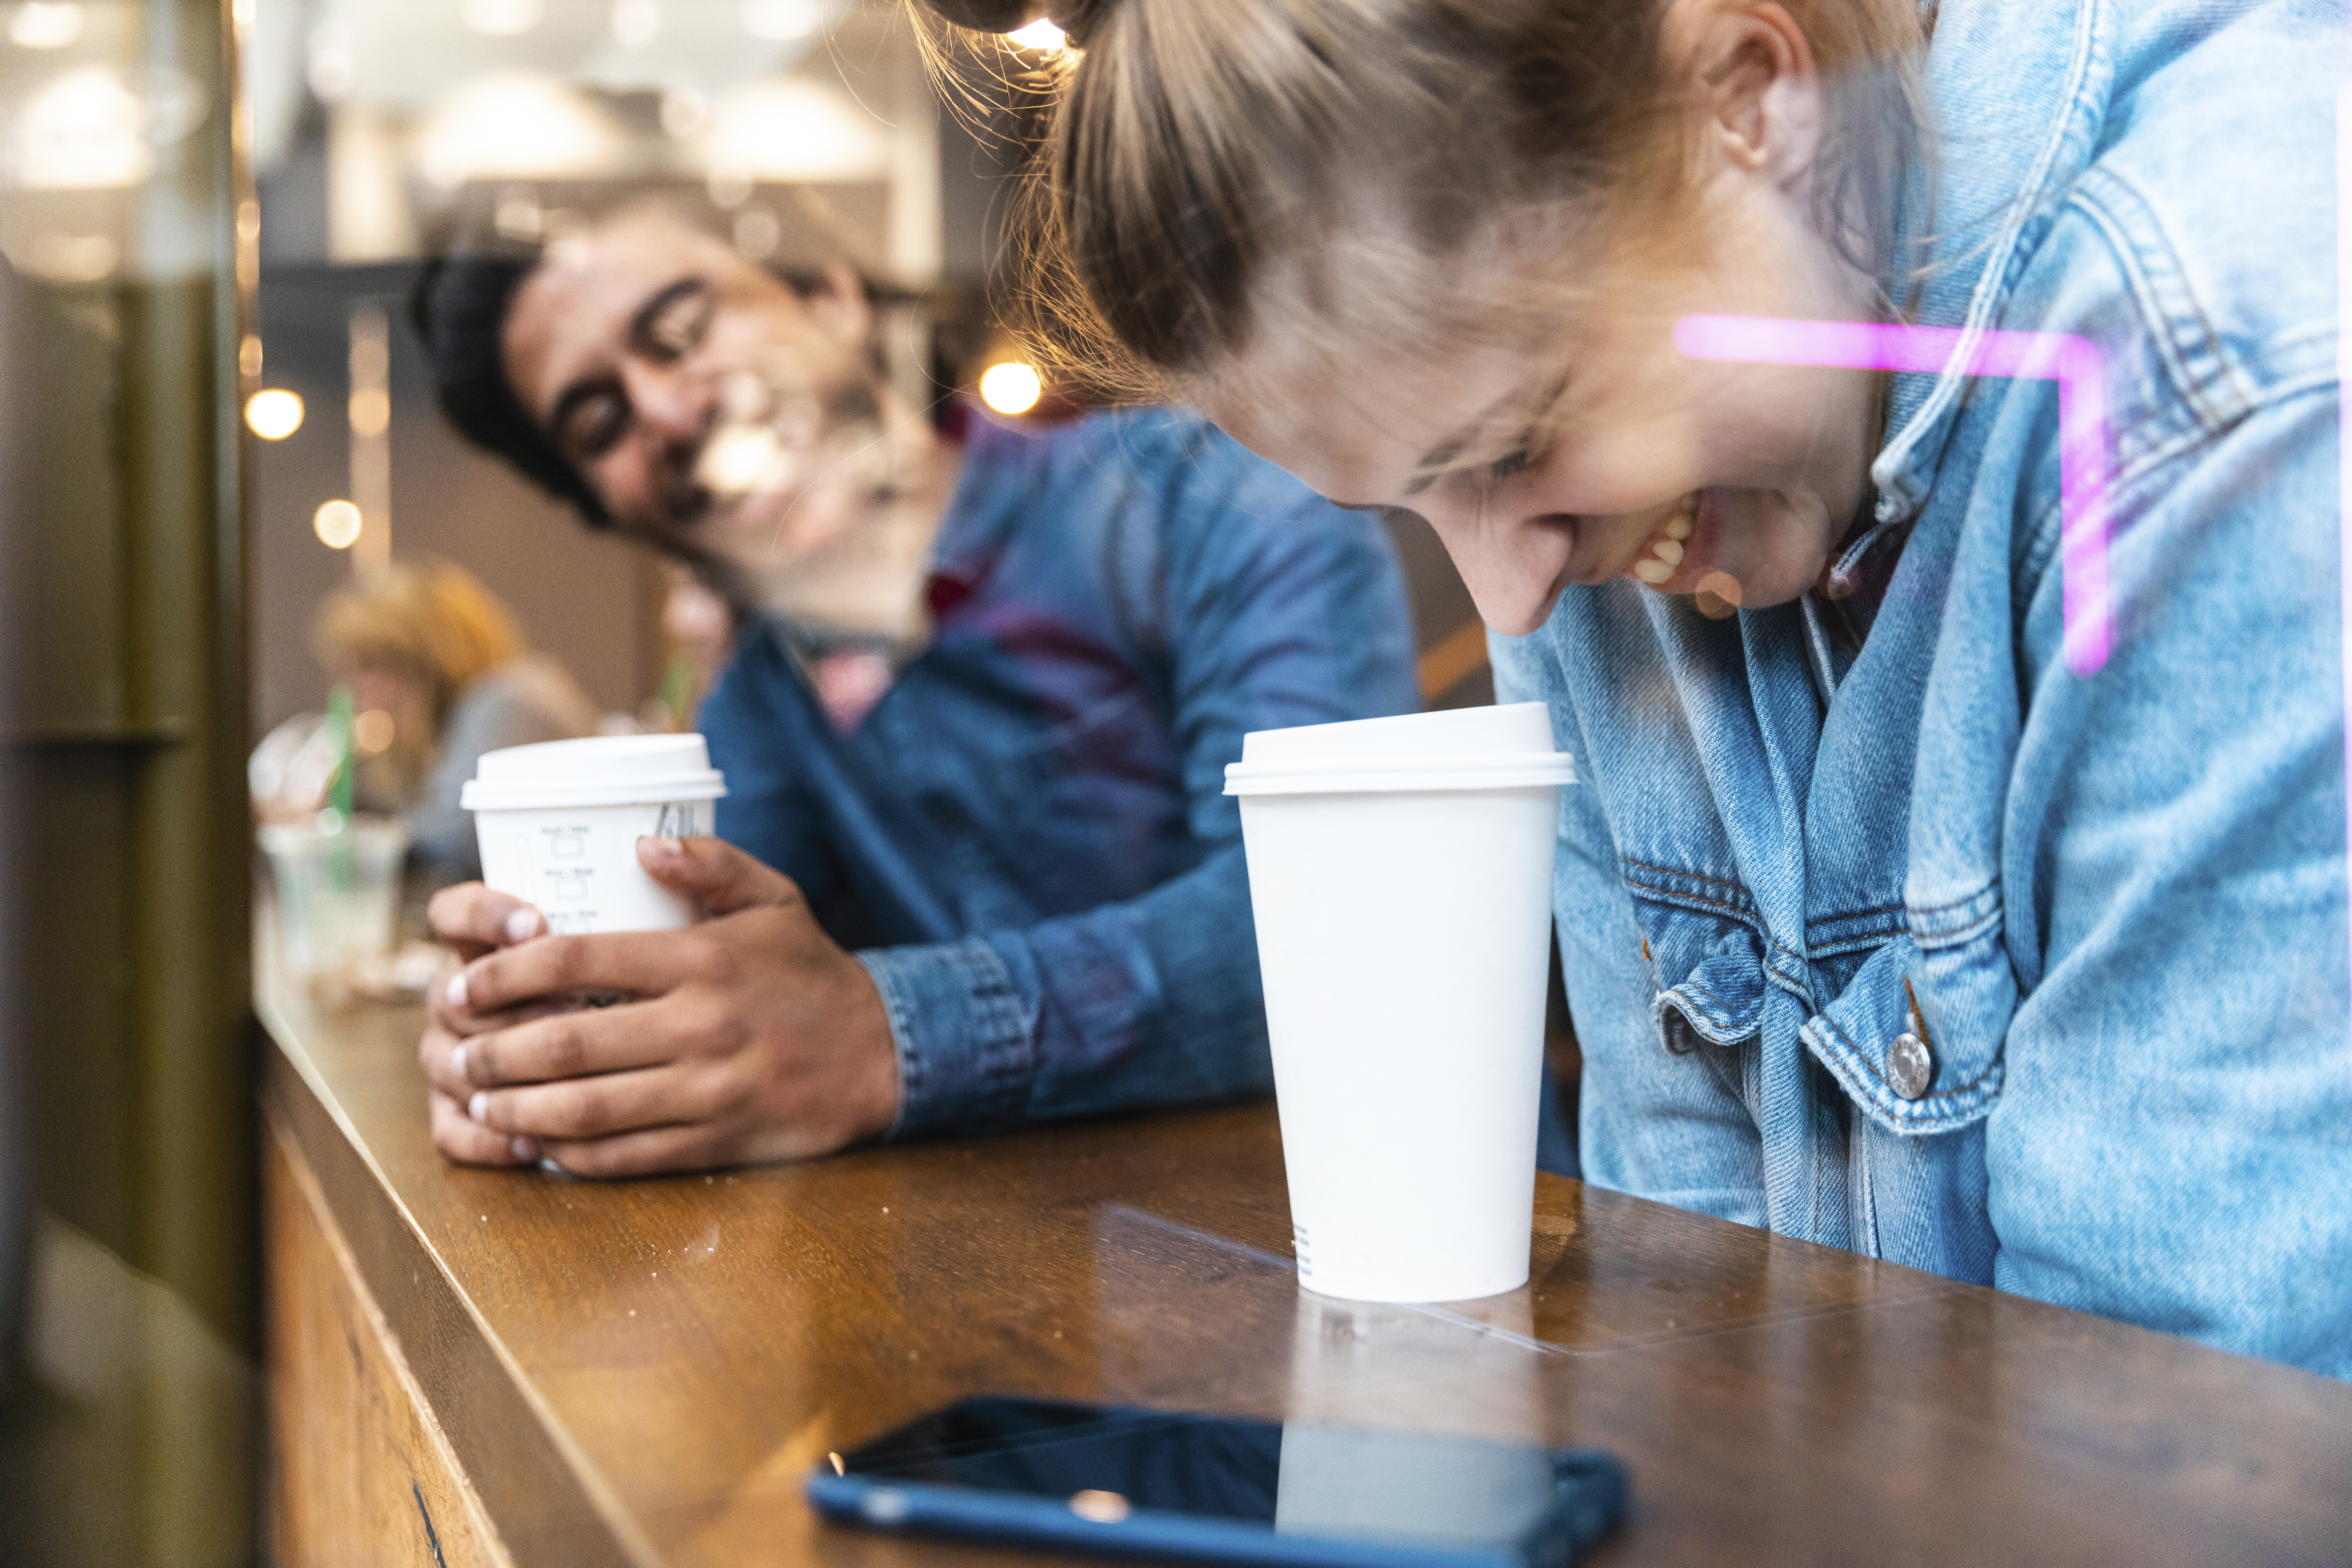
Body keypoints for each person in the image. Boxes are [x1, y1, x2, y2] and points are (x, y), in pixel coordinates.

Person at [915, 0, 2352, 1375]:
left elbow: (2179, 1455)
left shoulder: (2232, 378)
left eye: (1510, 444)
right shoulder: (1606, 519)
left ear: (1747, 95)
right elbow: (1691, 1331)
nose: (1509, 600)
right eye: (1420, 504)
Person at [406, 200, 1422, 1176]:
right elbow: (719, 1004)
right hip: (1047, 1296)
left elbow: (1340, 931)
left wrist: (884, 1037)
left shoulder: (1210, 499)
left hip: (1429, 1245)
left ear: (831, 297)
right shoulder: (760, 709)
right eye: (599, 422)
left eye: (680, 329)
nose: (668, 412)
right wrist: (534, 1052)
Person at [305, 559, 600, 882]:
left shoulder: (508, 701)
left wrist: (341, 836)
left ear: (430, 660)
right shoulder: (467, 716)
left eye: (371, 666)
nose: (354, 690)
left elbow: (452, 846)